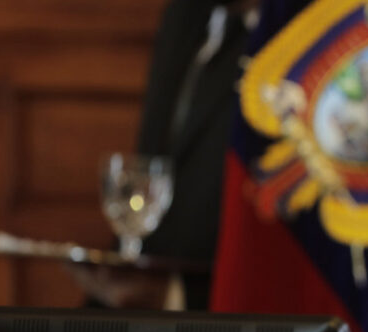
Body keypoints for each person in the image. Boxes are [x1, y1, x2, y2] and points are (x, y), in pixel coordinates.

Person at [67, 0, 259, 310]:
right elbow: (152, 172)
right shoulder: (185, 15)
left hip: (234, 331)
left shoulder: (321, 37)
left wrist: (177, 297)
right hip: (143, 328)